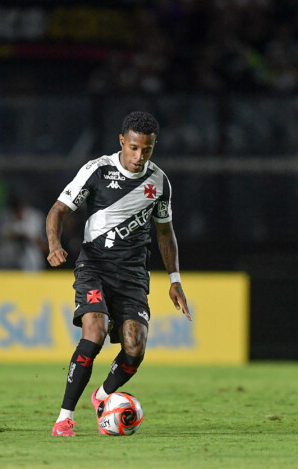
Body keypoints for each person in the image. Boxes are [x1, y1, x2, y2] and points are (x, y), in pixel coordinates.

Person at [45, 111, 190, 437]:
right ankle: (65, 417)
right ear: (122, 141)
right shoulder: (97, 171)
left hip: (133, 275)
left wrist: (175, 279)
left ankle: (102, 396)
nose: (140, 156)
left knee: (135, 346)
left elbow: (165, 233)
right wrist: (54, 243)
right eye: (135, 148)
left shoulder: (159, 183)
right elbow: (58, 210)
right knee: (94, 332)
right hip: (94, 267)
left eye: (147, 150)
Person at [0, 193, 48, 271]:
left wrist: (28, 238)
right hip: (5, 261)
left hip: (30, 263)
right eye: (15, 208)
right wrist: (11, 236)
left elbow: (47, 246)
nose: (18, 211)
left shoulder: (36, 217)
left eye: (20, 207)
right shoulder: (1, 217)